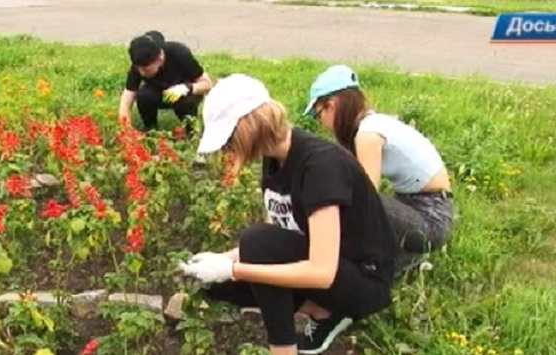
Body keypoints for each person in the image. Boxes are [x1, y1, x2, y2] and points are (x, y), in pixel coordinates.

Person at [178, 74, 399, 355]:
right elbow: (281, 236)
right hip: (330, 272)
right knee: (218, 285)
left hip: (363, 280)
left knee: (256, 244)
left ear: (248, 125)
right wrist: (222, 261)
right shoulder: (274, 161)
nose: (227, 148)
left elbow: (321, 272)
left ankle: (282, 350)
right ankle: (321, 312)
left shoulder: (320, 166)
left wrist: (234, 268)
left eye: (228, 138)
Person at [303, 65, 456, 269]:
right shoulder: (375, 123)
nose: (321, 123)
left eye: (318, 114)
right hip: (417, 207)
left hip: (431, 219)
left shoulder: (368, 135)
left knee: (354, 203)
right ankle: (402, 257)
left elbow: (365, 199)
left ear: (331, 105)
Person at [118, 31, 213, 133]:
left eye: (146, 70)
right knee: (144, 96)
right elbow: (127, 99)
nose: (141, 73)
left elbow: (207, 84)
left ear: (159, 58)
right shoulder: (139, 65)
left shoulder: (179, 53)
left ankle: (190, 130)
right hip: (159, 93)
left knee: (184, 103)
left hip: (185, 93)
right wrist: (126, 131)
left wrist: (187, 88)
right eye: (138, 68)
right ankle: (151, 129)